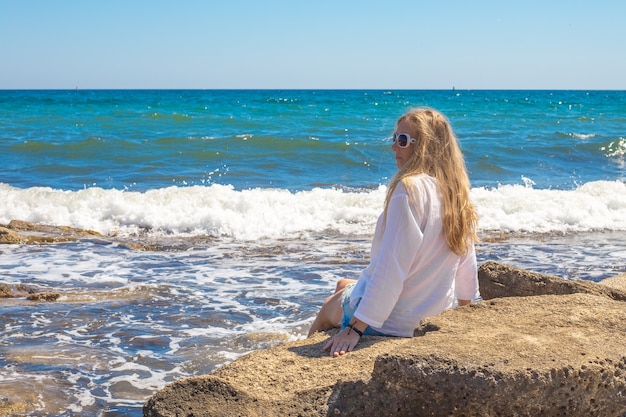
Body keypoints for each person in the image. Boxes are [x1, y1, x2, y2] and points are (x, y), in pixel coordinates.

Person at [307, 107, 480, 357]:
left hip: (391, 321)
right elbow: (466, 262)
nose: (394, 147)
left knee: (326, 309)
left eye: (403, 140)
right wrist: (464, 311)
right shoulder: (454, 192)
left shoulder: (408, 190)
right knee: (343, 284)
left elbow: (391, 270)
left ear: (424, 146)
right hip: (429, 316)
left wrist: (355, 329)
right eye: (395, 138)